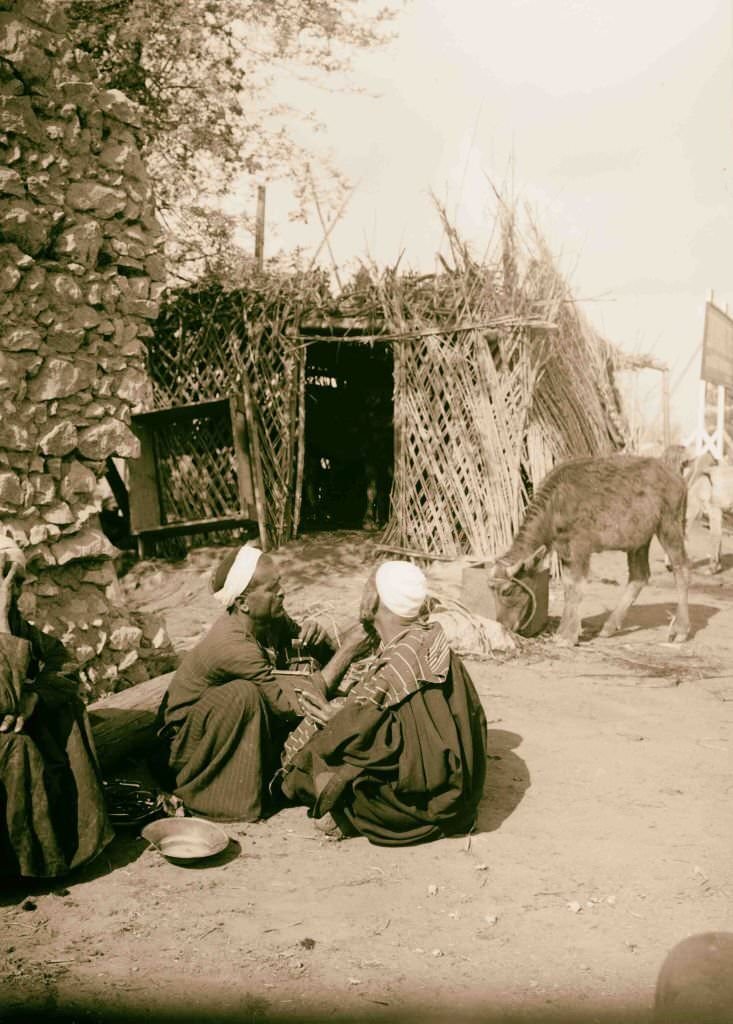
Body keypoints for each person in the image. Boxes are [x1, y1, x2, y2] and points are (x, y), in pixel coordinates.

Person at [278, 561, 488, 846]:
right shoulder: (426, 638)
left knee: (310, 760)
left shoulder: (396, 664)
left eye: (367, 587)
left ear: (376, 600)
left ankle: (349, 815)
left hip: (420, 803)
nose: (362, 594)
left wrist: (336, 723)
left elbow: (380, 740)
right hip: (459, 794)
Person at [157, 545, 371, 822]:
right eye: (272, 589)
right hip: (183, 751)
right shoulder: (232, 644)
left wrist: (318, 638)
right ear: (244, 603)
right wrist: (348, 651)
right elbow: (288, 706)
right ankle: (210, 800)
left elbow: (309, 658)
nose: (281, 592)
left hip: (214, 731)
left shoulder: (270, 620)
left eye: (280, 584)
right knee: (243, 695)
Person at [0, 535, 114, 878]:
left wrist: (35, 697)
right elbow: (3, 700)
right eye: (8, 583)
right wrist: (1, 626)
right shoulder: (4, 622)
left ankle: (69, 847)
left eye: (14, 583)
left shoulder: (18, 625)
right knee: (19, 748)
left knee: (67, 709)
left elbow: (61, 664)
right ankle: (21, 866)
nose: (13, 593)